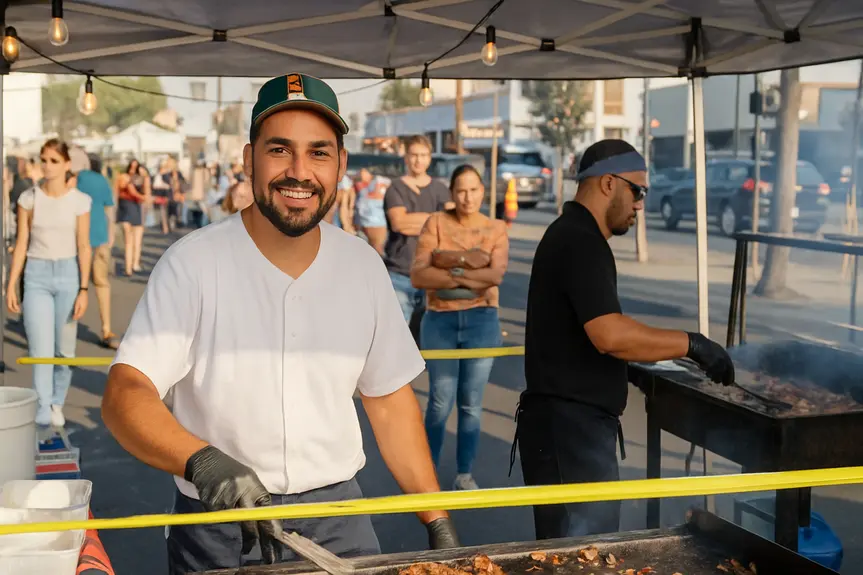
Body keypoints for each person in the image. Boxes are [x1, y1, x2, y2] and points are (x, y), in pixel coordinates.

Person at [101, 73, 459, 574]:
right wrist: (201, 462)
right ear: (249, 160)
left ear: (340, 166)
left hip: (338, 520)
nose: (299, 171)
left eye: (318, 152)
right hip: (220, 525)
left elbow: (390, 400)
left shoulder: (361, 265)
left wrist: (436, 518)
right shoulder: (193, 264)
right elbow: (126, 392)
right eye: (279, 150)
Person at [513, 139, 735, 541]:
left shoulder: (574, 234)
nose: (640, 204)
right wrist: (693, 344)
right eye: (638, 191)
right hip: (570, 432)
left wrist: (628, 365)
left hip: (565, 429)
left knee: (574, 553)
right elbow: (609, 334)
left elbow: (580, 333)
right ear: (607, 183)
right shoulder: (580, 241)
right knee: (582, 557)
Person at [410, 165, 508, 491]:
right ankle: (428, 475)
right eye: (461, 191)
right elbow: (420, 275)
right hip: (440, 320)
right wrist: (470, 263)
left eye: (474, 190)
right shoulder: (436, 222)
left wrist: (447, 260)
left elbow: (494, 277)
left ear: (483, 191)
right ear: (451, 193)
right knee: (440, 399)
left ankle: (464, 472)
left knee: (471, 402)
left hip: (482, 319)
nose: (468, 197)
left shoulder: (495, 228)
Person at [7, 139, 92, 428]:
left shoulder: (79, 201)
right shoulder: (29, 199)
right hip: (37, 276)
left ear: (67, 165)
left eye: (54, 160)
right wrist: (11, 283)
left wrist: (83, 288)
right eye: (44, 159)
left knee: (64, 350)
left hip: (69, 275)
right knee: (39, 350)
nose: (47, 165)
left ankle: (57, 400)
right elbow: (21, 244)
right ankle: (43, 405)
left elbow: (84, 246)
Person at [384, 135, 453, 327]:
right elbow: (399, 223)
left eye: (423, 155)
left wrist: (415, 220)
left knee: (431, 338)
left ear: (429, 158)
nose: (418, 160)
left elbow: (451, 225)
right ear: (406, 157)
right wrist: (435, 219)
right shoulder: (395, 188)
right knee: (396, 336)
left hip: (433, 275)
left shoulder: (440, 189)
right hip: (400, 274)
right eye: (414, 155)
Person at [69, 148, 119, 350]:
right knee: (102, 283)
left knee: (73, 285)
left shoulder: (74, 179)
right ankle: (106, 329)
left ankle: (67, 331)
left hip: (77, 239)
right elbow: (109, 209)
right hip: (100, 236)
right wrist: (111, 235)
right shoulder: (101, 180)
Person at [115, 160, 147, 276]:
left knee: (137, 241)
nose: (133, 170)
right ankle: (129, 267)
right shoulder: (124, 178)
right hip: (126, 209)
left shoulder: (141, 179)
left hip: (136, 208)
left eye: (135, 167)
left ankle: (135, 263)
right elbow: (122, 190)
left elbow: (146, 192)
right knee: (129, 241)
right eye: (131, 167)